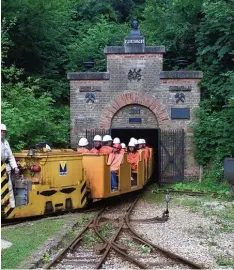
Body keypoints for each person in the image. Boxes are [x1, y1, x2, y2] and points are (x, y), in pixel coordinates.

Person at [1, 124, 19, 208]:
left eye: (4, 131)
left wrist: (15, 167)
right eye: (1, 131)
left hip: (5, 167)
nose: (3, 133)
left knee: (9, 187)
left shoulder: (5, 142)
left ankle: (11, 207)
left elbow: (11, 156)